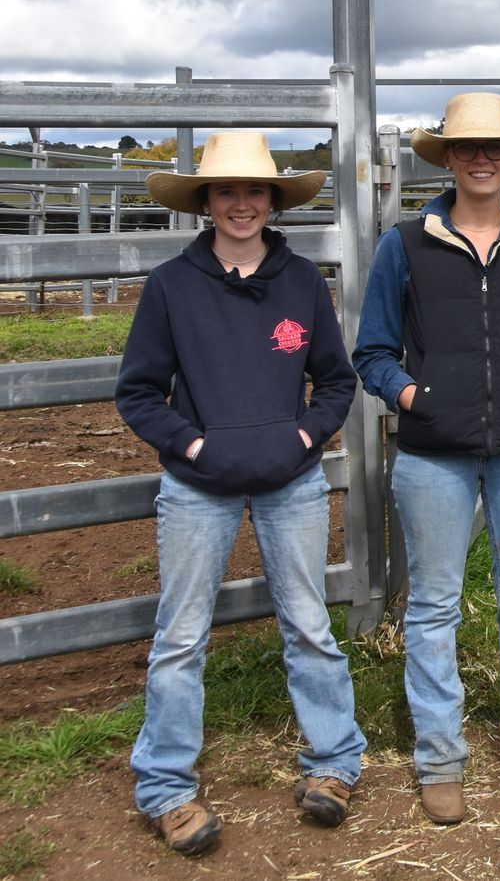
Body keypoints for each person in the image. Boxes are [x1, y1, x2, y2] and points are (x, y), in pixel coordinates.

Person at [116, 132, 364, 856]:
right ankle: (166, 786)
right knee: (182, 634)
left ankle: (333, 761)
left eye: (255, 191)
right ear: (205, 202)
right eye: (226, 191)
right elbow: (138, 391)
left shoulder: (301, 283)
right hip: (198, 486)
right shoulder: (171, 286)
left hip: (291, 482)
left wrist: (301, 438)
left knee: (309, 622)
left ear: (273, 200)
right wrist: (195, 444)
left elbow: (337, 379)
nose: (242, 203)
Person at [352, 92, 500, 822]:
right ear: (447, 158)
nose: (482, 158)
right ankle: (439, 760)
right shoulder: (406, 243)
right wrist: (411, 398)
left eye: (495, 148)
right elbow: (371, 351)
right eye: (467, 148)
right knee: (431, 606)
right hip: (433, 457)